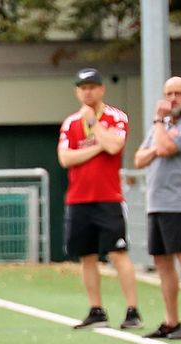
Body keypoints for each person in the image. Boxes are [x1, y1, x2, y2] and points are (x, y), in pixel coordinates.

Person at [57, 68, 142, 330]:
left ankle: (132, 310)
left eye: (92, 87)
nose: (88, 92)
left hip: (108, 197)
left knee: (118, 253)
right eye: (83, 88)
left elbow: (115, 145)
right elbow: (65, 158)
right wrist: (97, 147)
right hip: (78, 198)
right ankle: (96, 309)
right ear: (77, 91)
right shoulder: (71, 123)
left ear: (102, 89)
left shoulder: (116, 117)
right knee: (87, 255)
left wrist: (94, 124)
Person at [134, 76, 181, 339]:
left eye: (178, 93)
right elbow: (139, 158)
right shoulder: (163, 126)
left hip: (179, 204)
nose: (173, 99)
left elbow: (165, 149)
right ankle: (171, 321)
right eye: (169, 94)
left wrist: (157, 125)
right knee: (162, 263)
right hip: (156, 204)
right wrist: (158, 139)